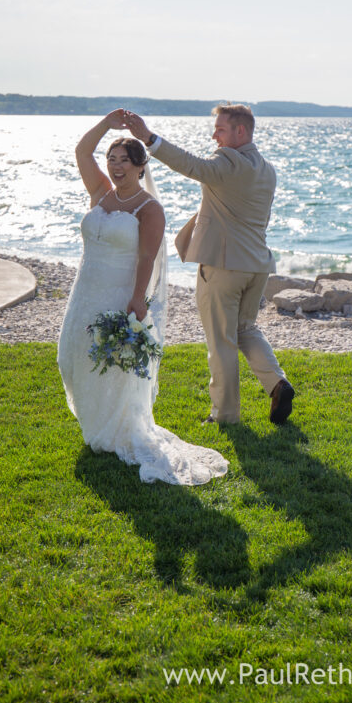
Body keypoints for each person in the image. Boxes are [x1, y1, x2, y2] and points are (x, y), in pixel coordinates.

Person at [57, 109, 228, 484]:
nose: (116, 167)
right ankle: (95, 424)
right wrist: (106, 124)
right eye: (112, 160)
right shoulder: (101, 193)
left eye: (124, 161)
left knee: (112, 364)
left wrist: (137, 298)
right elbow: (81, 152)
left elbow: (147, 257)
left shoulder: (149, 209)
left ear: (140, 167)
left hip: (119, 294)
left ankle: (114, 430)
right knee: (72, 358)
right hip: (85, 290)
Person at [120, 103, 295, 426]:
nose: (214, 135)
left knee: (221, 340)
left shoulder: (228, 160)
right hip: (257, 265)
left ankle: (225, 415)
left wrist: (148, 138)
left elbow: (192, 165)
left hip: (224, 266)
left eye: (221, 129)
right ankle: (277, 384)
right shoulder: (266, 169)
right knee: (245, 330)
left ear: (240, 131)